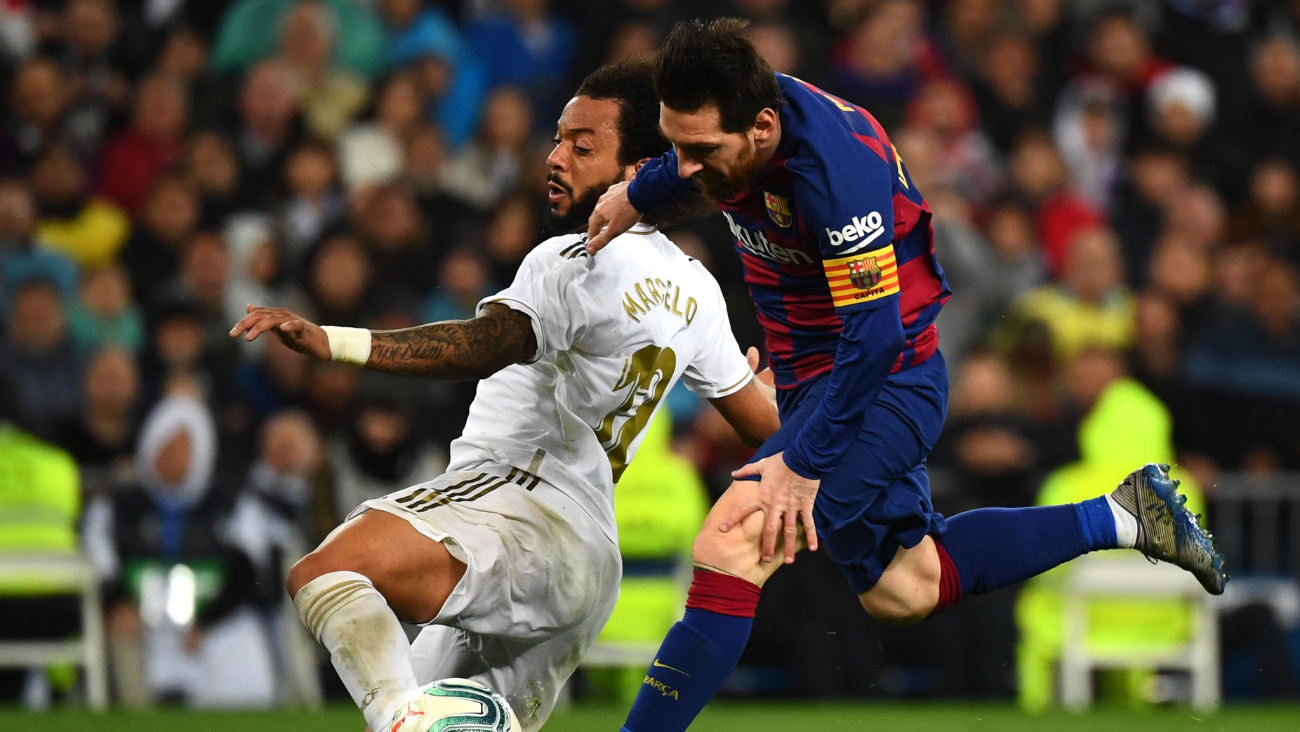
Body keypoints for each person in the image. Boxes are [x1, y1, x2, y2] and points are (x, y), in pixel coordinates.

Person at [582, 20, 1226, 732]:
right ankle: (1126, 515)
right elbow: (694, 155)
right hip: (815, 380)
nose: (687, 166)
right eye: (676, 147)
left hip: (884, 381)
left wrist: (803, 461)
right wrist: (640, 193)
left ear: (763, 127)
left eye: (699, 151)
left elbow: (876, 335)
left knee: (731, 539)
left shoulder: (832, 169)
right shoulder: (733, 119)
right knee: (906, 586)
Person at [228, 58, 780, 732]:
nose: (556, 158)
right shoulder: (695, 288)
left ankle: (412, 722)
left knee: (326, 572)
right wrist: (776, 392)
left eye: (583, 147)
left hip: (517, 505)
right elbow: (762, 424)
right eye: (557, 139)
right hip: (585, 567)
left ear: (639, 171)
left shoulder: (572, 261)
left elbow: (486, 343)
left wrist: (338, 342)